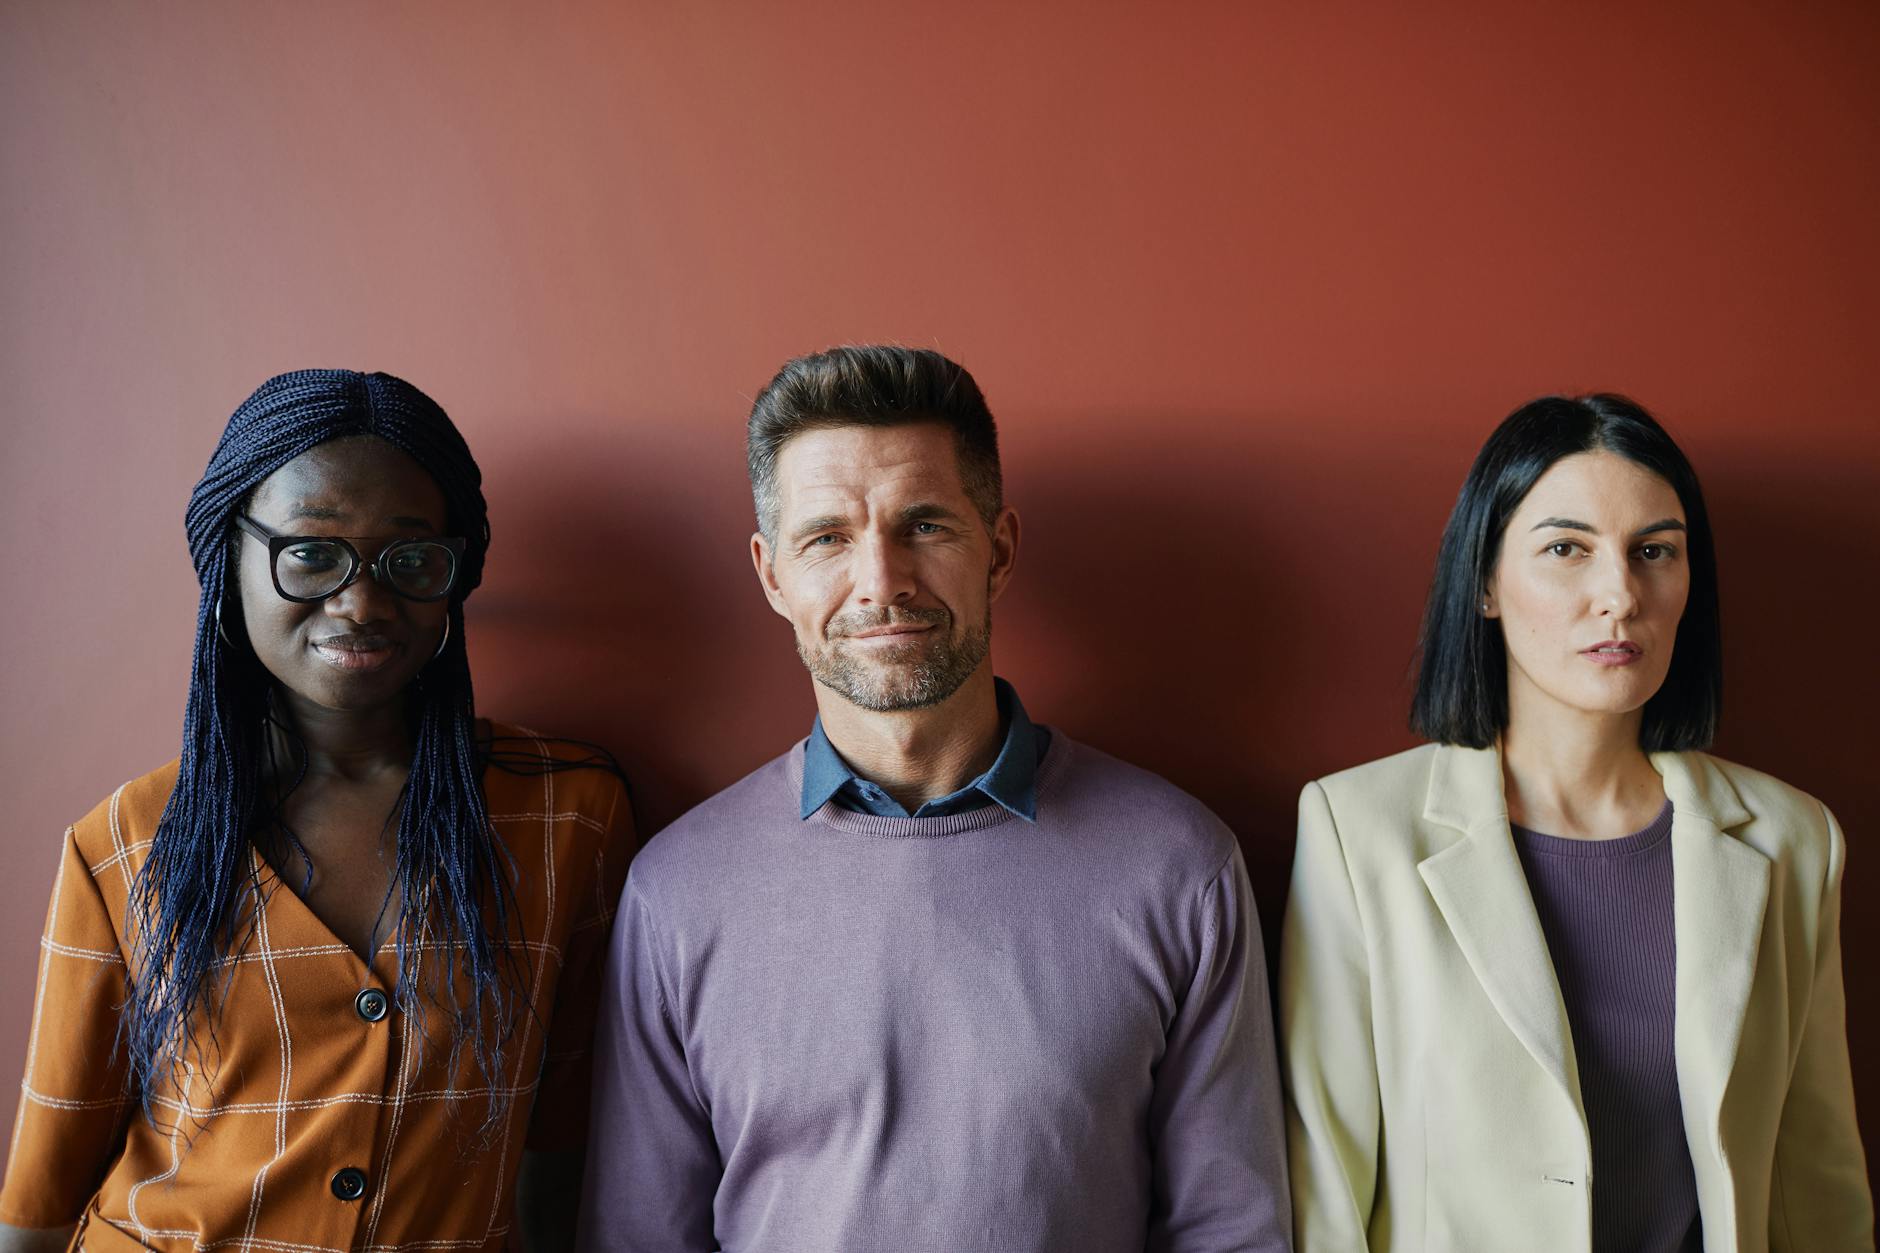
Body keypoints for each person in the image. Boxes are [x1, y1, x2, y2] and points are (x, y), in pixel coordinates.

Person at [576, 345, 1291, 1251]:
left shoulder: (1180, 865)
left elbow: (1231, 1232)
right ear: (771, 575)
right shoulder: (676, 890)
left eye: (924, 525)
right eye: (827, 536)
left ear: (998, 550)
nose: (882, 580)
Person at [0, 370, 632, 1251]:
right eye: (309, 551)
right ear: (232, 557)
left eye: (410, 559)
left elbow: (564, 1132)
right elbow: (45, 1186)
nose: (363, 602)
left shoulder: (567, 816)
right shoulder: (125, 842)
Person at [1280, 394, 1873, 1251]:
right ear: (1485, 582)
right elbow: (1325, 1190)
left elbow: (1818, 1186)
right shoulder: (1356, 830)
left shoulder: (1791, 840)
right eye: (1566, 548)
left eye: (1654, 552)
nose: (1620, 594)